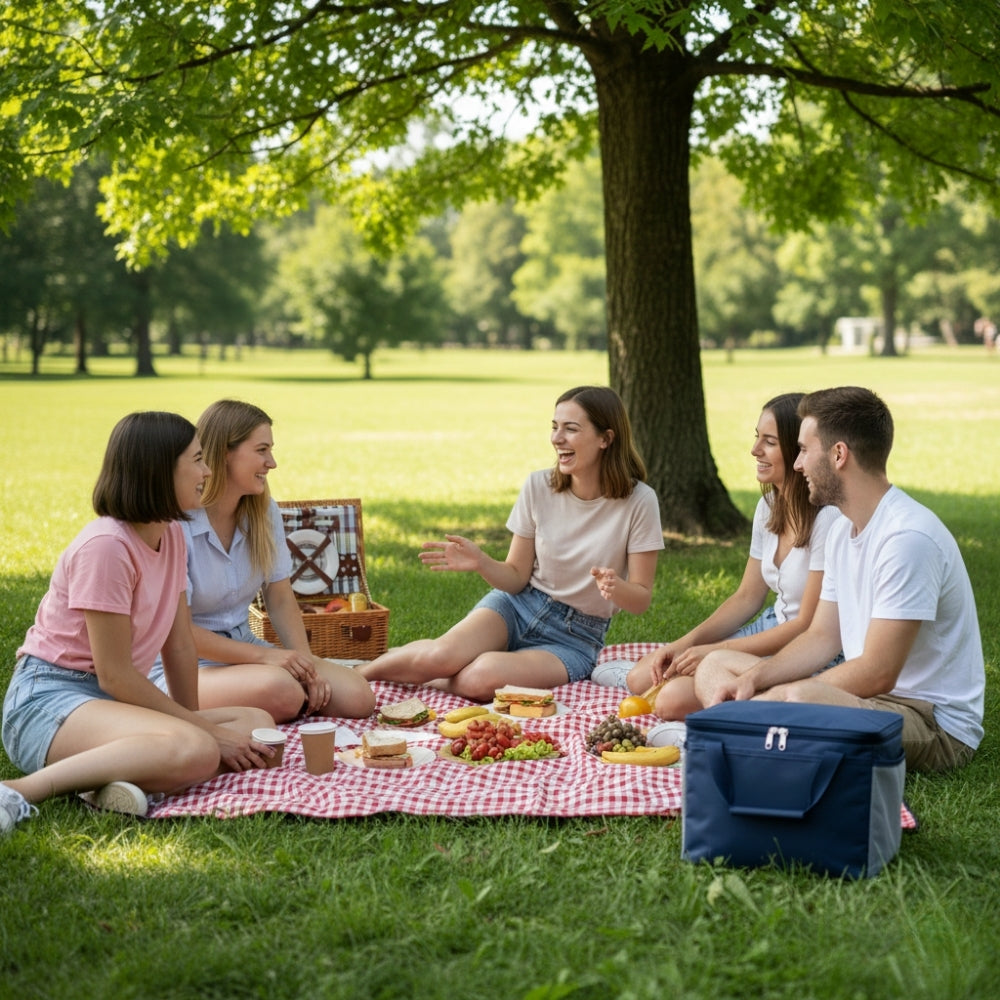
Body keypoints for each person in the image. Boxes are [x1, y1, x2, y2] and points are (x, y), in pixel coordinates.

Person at [1, 412, 276, 836]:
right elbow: (114, 674)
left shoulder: (172, 535)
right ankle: (16, 791)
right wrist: (201, 733)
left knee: (257, 723)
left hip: (114, 704)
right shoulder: (107, 547)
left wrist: (192, 718)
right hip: (51, 700)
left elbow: (179, 644)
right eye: (197, 460)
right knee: (198, 747)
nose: (207, 472)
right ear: (159, 469)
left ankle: (104, 782)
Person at [695, 386, 985, 773]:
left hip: (930, 722)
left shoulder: (907, 538)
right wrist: (754, 678)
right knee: (714, 664)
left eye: (803, 450)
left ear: (838, 455)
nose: (798, 464)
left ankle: (740, 736)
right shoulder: (841, 531)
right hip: (865, 701)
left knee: (799, 699)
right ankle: (746, 733)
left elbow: (878, 671)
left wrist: (781, 694)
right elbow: (821, 637)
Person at [358, 385, 664, 702]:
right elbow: (516, 576)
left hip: (574, 639)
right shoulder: (539, 486)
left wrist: (617, 588)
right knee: (439, 657)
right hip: (517, 605)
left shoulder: (639, 501)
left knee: (477, 680)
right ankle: (357, 674)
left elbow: (640, 599)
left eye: (571, 429)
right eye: (555, 427)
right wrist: (481, 562)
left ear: (606, 439)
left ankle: (418, 672)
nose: (557, 438)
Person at [592, 392, 843, 720]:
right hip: (770, 627)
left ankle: (752, 705)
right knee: (642, 677)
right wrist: (683, 645)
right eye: (757, 437)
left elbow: (804, 626)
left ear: (799, 450)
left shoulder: (828, 519)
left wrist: (713, 652)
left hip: (805, 651)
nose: (755, 450)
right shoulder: (769, 507)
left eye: (769, 442)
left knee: (670, 701)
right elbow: (747, 597)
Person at [149, 400, 375, 722]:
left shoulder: (264, 512)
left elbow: (280, 599)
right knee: (283, 691)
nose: (272, 463)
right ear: (224, 453)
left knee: (357, 696)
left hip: (245, 648)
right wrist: (266, 658)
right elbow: (179, 634)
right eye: (261, 450)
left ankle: (255, 704)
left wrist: (307, 667)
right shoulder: (176, 525)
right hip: (183, 665)